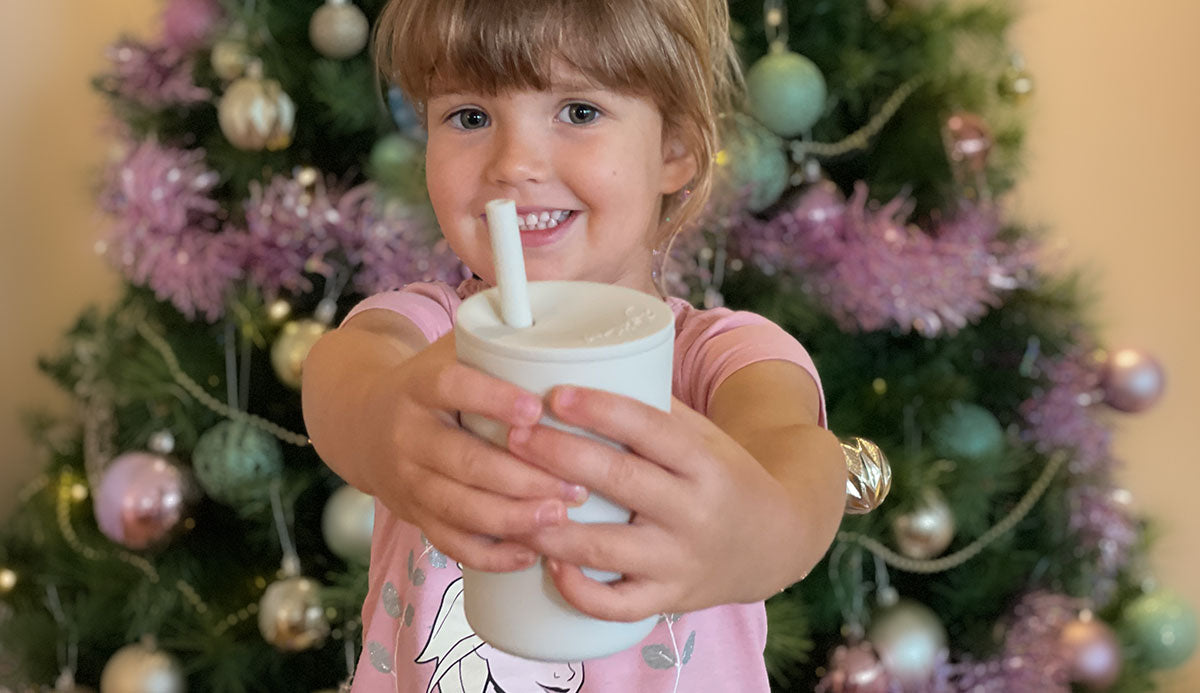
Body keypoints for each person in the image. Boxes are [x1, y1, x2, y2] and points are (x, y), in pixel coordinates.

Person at [302, 0, 847, 690]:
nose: (515, 163)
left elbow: (802, 462)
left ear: (675, 147)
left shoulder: (721, 357)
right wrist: (382, 419)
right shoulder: (429, 338)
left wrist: (758, 528)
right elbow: (341, 375)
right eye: (470, 117)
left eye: (579, 111)